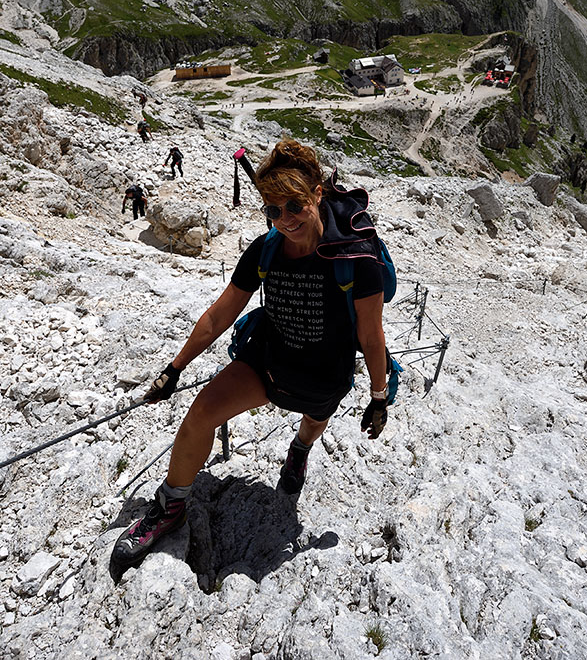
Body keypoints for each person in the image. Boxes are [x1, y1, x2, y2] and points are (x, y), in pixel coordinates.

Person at [112, 140, 390, 570]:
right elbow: (220, 313)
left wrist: (378, 396)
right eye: (272, 211)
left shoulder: (357, 259)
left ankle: (299, 449)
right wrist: (174, 368)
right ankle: (170, 507)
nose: (285, 220)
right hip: (269, 361)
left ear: (318, 192)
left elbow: (372, 338)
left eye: (294, 205)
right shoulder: (266, 249)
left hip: (323, 374)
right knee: (200, 414)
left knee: (314, 422)